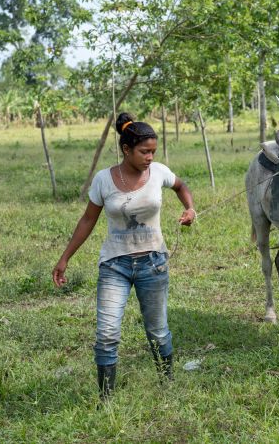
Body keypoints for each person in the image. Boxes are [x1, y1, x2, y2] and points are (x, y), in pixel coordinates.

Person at [52, 112, 196, 399]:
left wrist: (190, 209)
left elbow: (180, 186)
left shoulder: (158, 172)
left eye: (153, 151)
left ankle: (167, 385)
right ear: (126, 149)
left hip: (153, 264)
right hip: (114, 266)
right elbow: (87, 220)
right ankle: (105, 398)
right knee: (106, 334)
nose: (150, 157)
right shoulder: (104, 180)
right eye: (144, 151)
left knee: (157, 332)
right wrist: (64, 257)